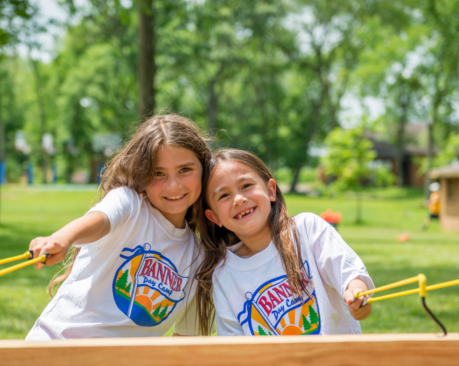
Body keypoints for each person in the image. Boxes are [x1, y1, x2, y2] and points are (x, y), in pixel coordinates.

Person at [26, 113, 211, 340]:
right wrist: (62, 238)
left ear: (203, 168)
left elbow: (186, 342)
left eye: (185, 170)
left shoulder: (200, 259)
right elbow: (100, 220)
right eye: (158, 173)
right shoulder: (129, 203)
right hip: (55, 344)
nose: (173, 185)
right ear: (142, 174)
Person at [195, 149, 374, 336]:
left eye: (246, 185)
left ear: (270, 190)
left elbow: (348, 271)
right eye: (223, 196)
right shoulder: (223, 274)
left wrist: (356, 292)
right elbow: (236, 347)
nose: (239, 199)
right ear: (214, 217)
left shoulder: (307, 229)